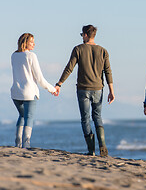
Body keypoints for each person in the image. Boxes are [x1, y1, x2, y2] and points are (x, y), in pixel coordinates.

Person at [55, 25, 115, 157]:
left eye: (82, 34)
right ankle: (103, 146)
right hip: (98, 88)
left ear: (86, 35)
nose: (82, 37)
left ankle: (91, 150)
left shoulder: (78, 49)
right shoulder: (103, 51)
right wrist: (111, 91)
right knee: (97, 117)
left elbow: (69, 68)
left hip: (83, 89)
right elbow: (108, 71)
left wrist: (59, 83)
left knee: (85, 119)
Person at [10, 33, 57, 148]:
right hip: (29, 93)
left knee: (22, 116)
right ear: (25, 43)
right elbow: (40, 79)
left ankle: (18, 143)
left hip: (15, 92)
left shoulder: (13, 55)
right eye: (31, 42)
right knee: (28, 117)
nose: (34, 44)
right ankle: (26, 144)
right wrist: (52, 89)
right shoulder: (31, 56)